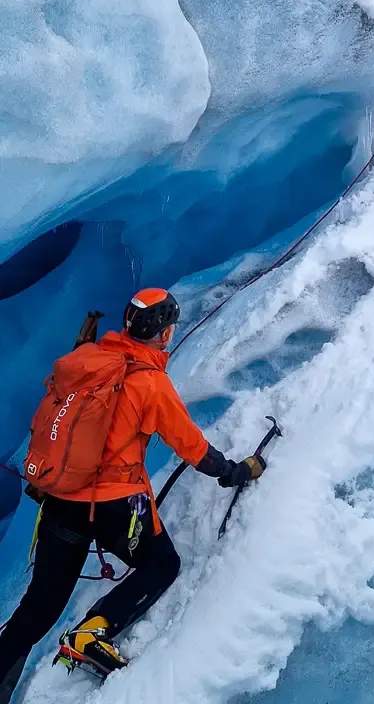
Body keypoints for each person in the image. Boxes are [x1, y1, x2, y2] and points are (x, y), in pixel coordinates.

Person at [0, 288, 266, 702]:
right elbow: (192, 446)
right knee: (162, 564)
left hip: (62, 499)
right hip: (113, 505)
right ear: (163, 334)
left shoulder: (90, 361)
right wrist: (234, 472)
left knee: (38, 609)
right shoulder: (150, 383)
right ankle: (94, 631)